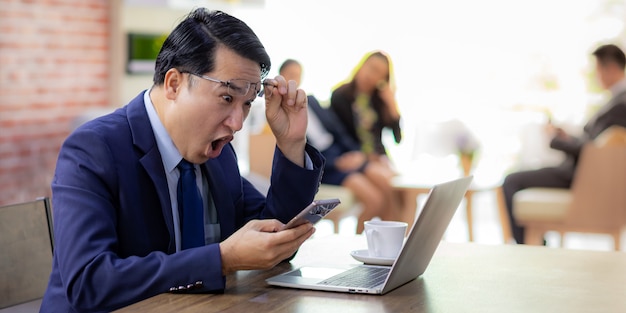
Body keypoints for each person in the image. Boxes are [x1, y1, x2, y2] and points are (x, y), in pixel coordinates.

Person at [40, 8, 324, 312]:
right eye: (227, 98)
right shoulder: (93, 150)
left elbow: (272, 237)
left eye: (246, 104)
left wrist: (292, 143)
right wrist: (222, 259)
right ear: (174, 83)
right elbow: (88, 283)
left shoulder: (218, 155)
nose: (237, 123)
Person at [502, 44, 626, 244]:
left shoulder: (621, 105)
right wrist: (568, 137)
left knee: (511, 181)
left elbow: (593, 152)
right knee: (516, 178)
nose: (596, 76)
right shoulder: (617, 101)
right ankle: (535, 247)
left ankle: (528, 249)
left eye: (597, 70)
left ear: (610, 68)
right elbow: (595, 144)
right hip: (583, 172)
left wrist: (556, 140)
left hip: (580, 176)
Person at [278, 59, 399, 233]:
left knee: (385, 186)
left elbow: (338, 131)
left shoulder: (311, 101)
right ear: (280, 76)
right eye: (290, 75)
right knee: (375, 200)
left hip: (341, 155)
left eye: (297, 76)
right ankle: (358, 247)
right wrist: (336, 161)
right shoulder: (278, 114)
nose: (293, 81)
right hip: (325, 165)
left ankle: (389, 243)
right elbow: (297, 151)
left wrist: (354, 154)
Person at [329, 50, 402, 169]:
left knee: (398, 181)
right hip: (355, 157)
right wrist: (367, 157)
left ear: (383, 79)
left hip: (380, 158)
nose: (370, 74)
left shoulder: (378, 101)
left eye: (377, 72)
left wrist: (391, 104)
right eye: (370, 67)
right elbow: (340, 135)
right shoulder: (340, 96)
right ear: (362, 65)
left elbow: (397, 138)